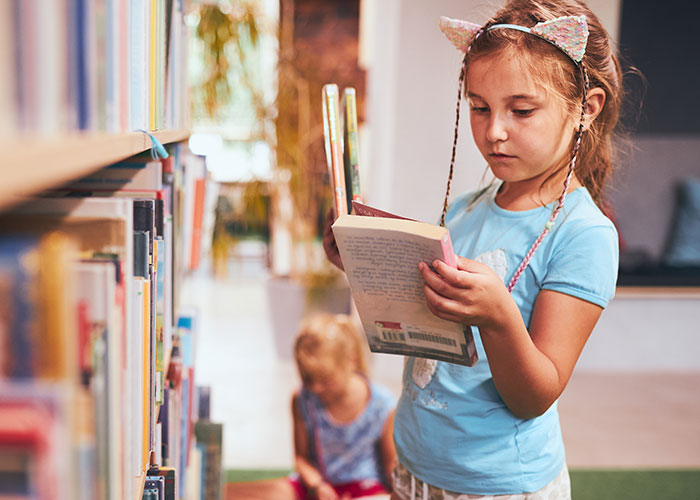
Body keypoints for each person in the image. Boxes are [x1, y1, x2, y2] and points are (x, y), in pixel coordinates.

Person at [324, 1, 623, 498]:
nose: (494, 130)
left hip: (498, 484)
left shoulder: (584, 234)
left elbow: (535, 395)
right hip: (416, 465)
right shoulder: (465, 209)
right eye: (479, 106)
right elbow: (424, 327)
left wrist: (500, 317)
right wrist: (362, 262)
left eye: (521, 110)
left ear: (585, 110)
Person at [226, 313, 396, 500]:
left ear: (350, 360)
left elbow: (390, 468)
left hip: (364, 489)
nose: (315, 388)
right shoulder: (302, 399)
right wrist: (316, 485)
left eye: (325, 380)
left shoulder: (382, 405)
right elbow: (302, 459)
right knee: (253, 493)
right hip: (316, 487)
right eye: (308, 379)